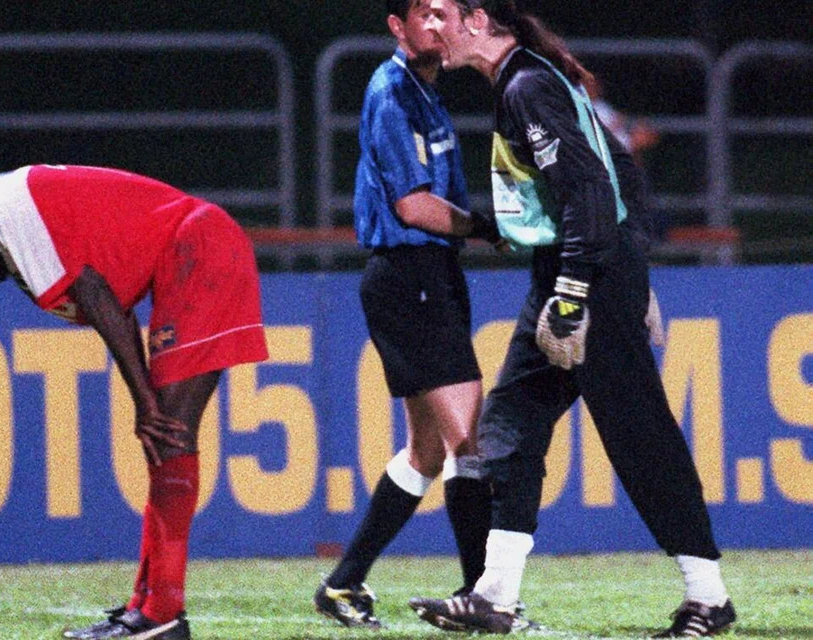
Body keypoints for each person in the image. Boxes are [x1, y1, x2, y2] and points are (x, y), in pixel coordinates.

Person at [407, 1, 736, 636]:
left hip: (581, 278)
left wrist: (578, 291)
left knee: (640, 439)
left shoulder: (528, 85)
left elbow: (589, 189)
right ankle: (495, 596)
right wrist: (621, 265)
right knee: (508, 426)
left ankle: (709, 597)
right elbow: (619, 174)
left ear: (477, 20)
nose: (431, 28)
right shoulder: (526, 77)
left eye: (440, 14)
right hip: (577, 270)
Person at [0, 164, 269, 640]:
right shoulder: (5, 220)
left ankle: (161, 612)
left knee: (168, 434)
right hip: (188, 250)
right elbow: (107, 289)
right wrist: (143, 397)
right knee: (163, 446)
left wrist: (143, 401)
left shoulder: (5, 216)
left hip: (199, 247)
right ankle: (148, 607)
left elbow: (97, 295)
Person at [312, 0, 510, 630]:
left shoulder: (424, 91)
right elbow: (413, 207)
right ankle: (482, 596)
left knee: (427, 450)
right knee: (469, 445)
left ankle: (343, 585)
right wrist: (489, 227)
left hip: (424, 276)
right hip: (411, 274)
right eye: (423, 13)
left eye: (443, 12)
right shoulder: (393, 91)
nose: (435, 23)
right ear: (397, 27)